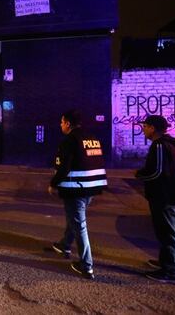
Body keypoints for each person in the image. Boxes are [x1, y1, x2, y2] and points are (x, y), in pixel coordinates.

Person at [48, 109, 107, 280]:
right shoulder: (92, 138)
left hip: (76, 188)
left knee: (80, 225)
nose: (60, 125)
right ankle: (65, 245)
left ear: (67, 123)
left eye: (61, 122)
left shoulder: (70, 140)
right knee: (75, 218)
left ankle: (86, 266)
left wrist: (53, 184)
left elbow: (64, 167)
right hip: (92, 187)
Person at [135, 115, 175, 286]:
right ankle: (168, 263)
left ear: (152, 128)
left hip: (165, 197)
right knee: (166, 232)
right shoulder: (170, 144)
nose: (143, 129)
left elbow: (157, 171)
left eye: (145, 126)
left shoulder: (160, 146)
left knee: (168, 233)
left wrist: (141, 175)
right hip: (169, 195)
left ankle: (172, 271)